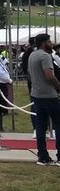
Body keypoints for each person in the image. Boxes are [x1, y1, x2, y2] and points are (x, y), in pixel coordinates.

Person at [28, 33, 60, 165]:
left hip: (36, 94)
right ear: (43, 43)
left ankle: (43, 156)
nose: (51, 43)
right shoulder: (45, 56)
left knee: (41, 126)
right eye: (49, 41)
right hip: (49, 94)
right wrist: (58, 87)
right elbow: (49, 76)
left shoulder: (32, 55)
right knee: (58, 123)